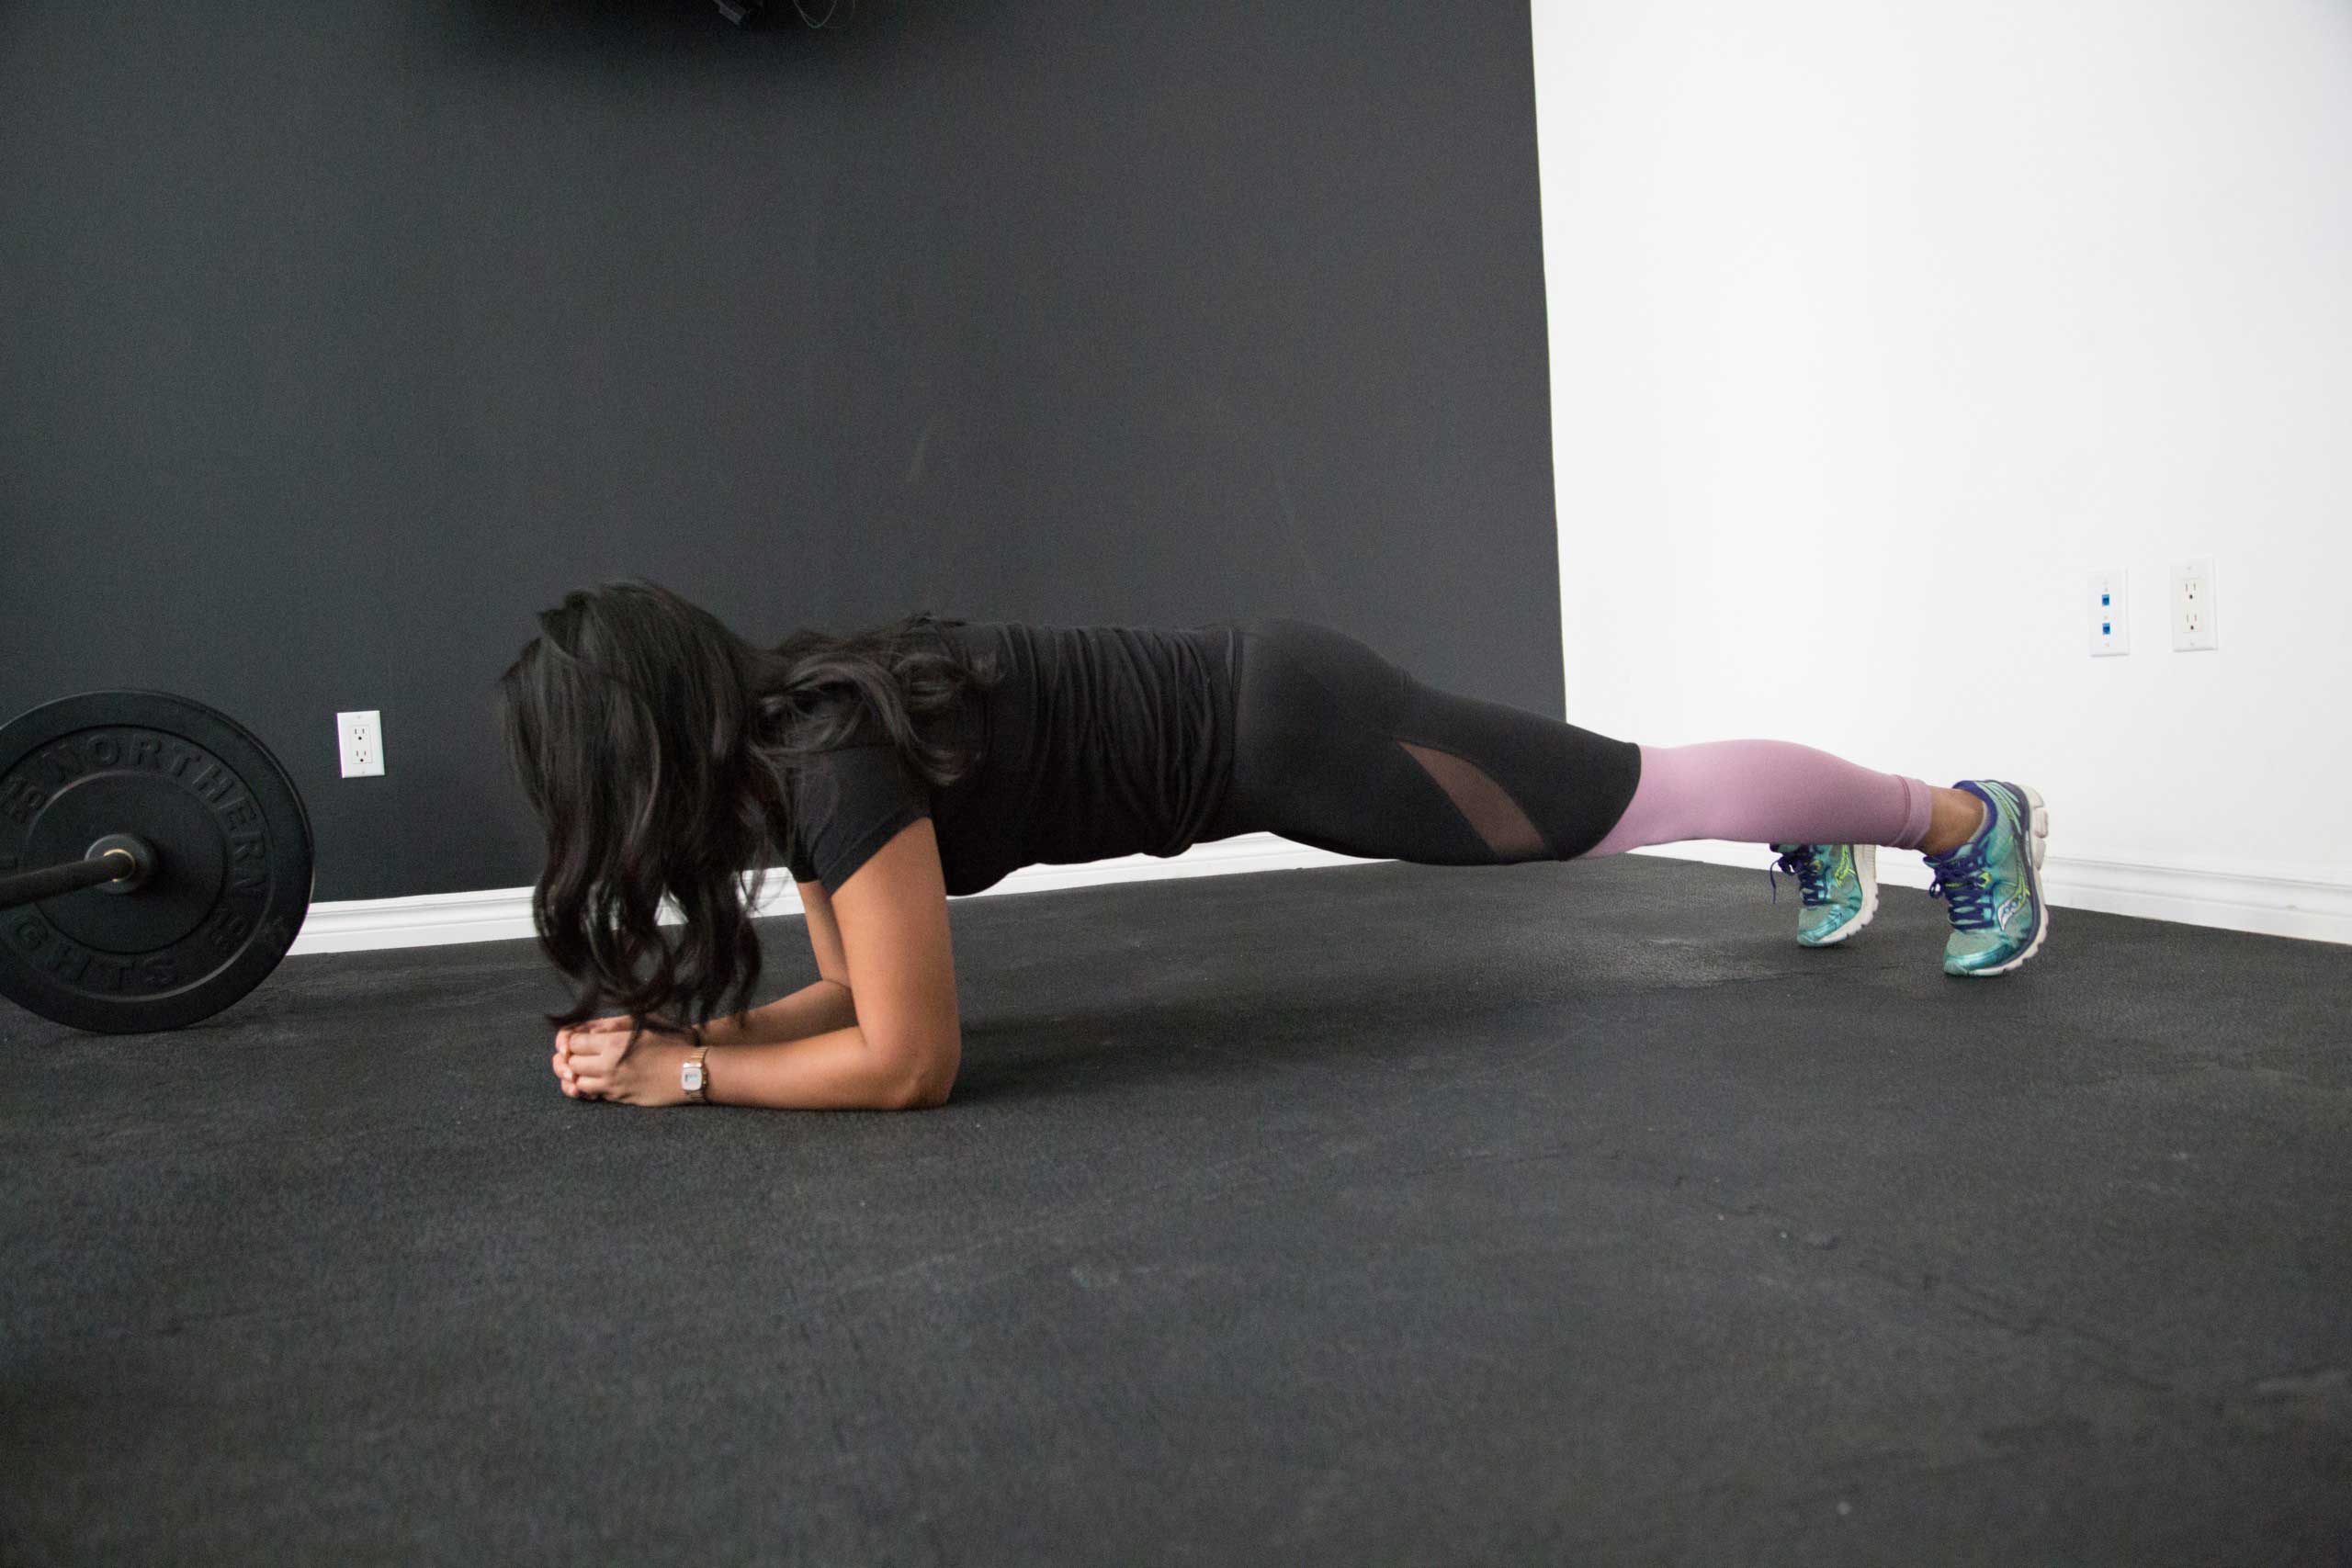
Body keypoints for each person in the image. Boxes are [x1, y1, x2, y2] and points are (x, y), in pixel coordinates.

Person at [497, 581, 2048, 1111]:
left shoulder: (829, 764)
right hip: (1270, 708)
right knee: (1631, 799)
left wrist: (689, 1074)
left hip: (1293, 729)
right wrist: (694, 1036)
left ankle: (1963, 822)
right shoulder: (799, 748)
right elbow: (856, 1004)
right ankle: (1821, 834)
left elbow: (910, 1064)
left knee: (1626, 802)